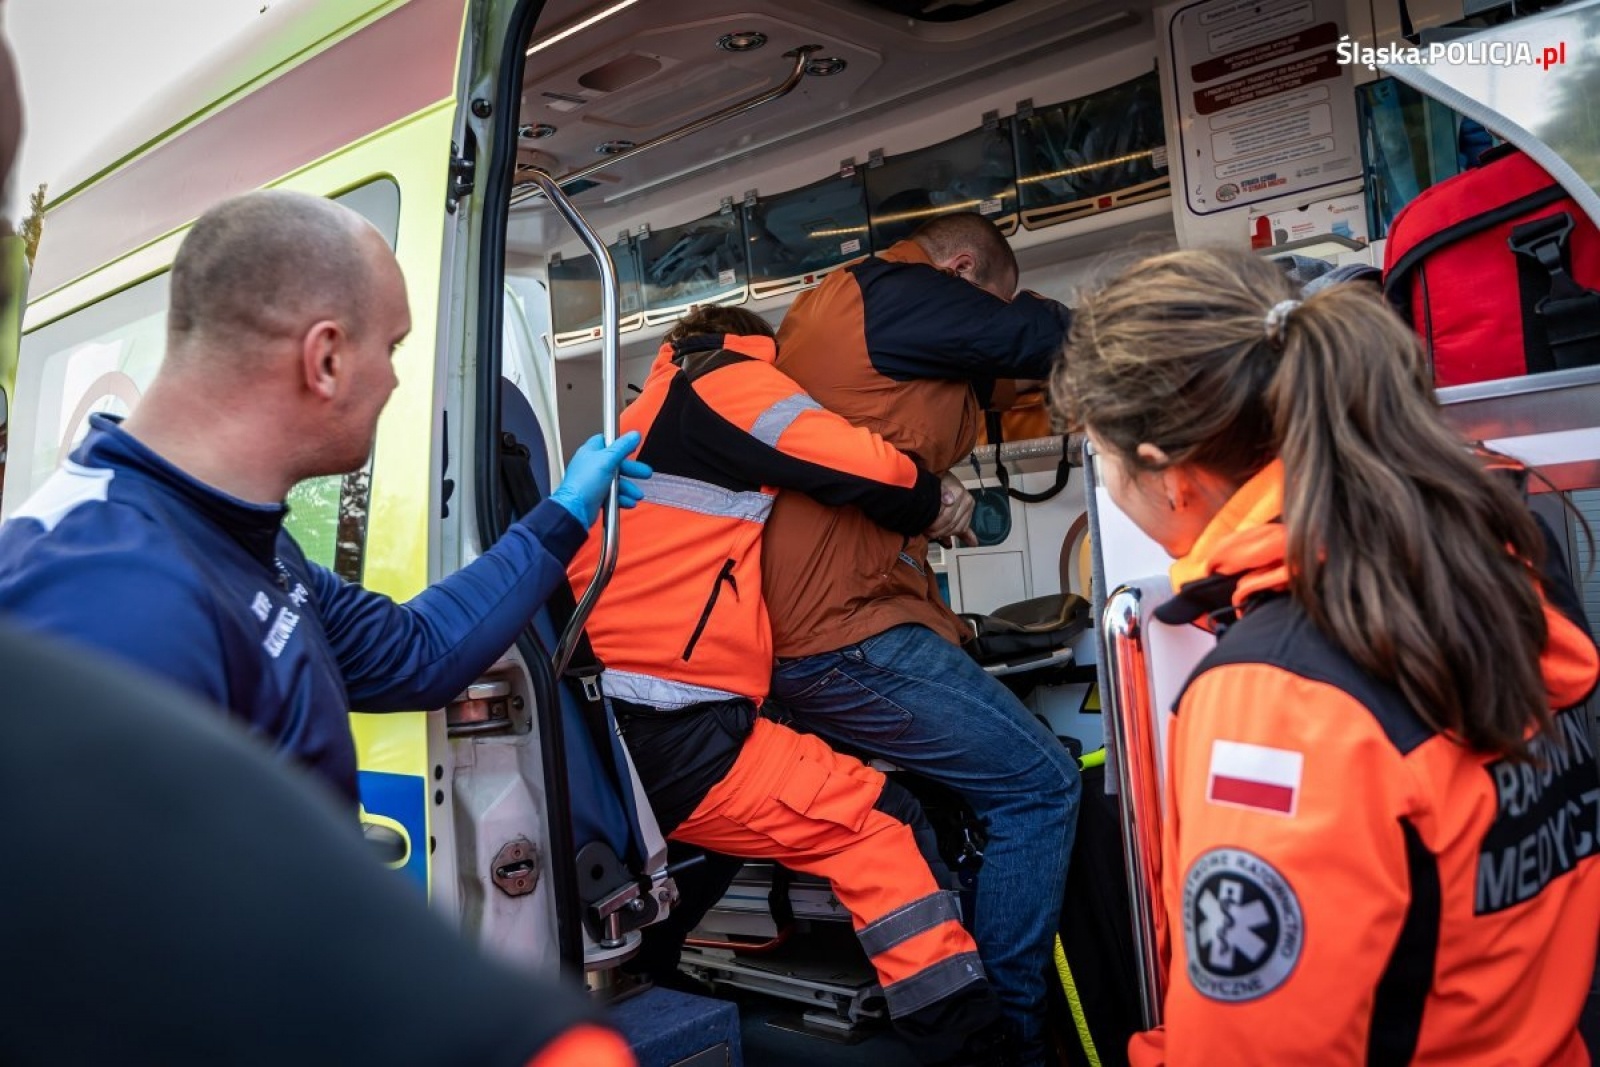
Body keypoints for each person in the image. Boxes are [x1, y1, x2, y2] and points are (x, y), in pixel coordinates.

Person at [1052, 246, 1600, 1065]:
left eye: (1100, 455)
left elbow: (1257, 1047)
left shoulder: (1276, 695)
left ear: (1168, 475)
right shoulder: (1493, 549)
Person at [0, 189, 649, 806]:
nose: (395, 377)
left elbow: (418, 652)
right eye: (391, 347)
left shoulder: (235, 531)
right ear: (327, 360)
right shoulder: (101, 590)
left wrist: (564, 510)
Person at [567, 305, 1010, 1065]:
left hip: (618, 726)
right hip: (682, 725)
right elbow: (851, 461)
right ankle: (972, 1052)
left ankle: (652, 1006)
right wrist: (935, 499)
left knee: (689, 874)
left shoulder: (635, 414)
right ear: (755, 345)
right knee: (881, 827)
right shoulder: (725, 379)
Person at [760, 211, 1081, 1063]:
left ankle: (978, 1006)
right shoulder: (891, 295)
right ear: (963, 269)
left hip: (854, 612)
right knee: (1041, 784)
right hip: (840, 629)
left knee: (984, 795)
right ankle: (1012, 1036)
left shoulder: (865, 316)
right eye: (982, 306)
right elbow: (1030, 335)